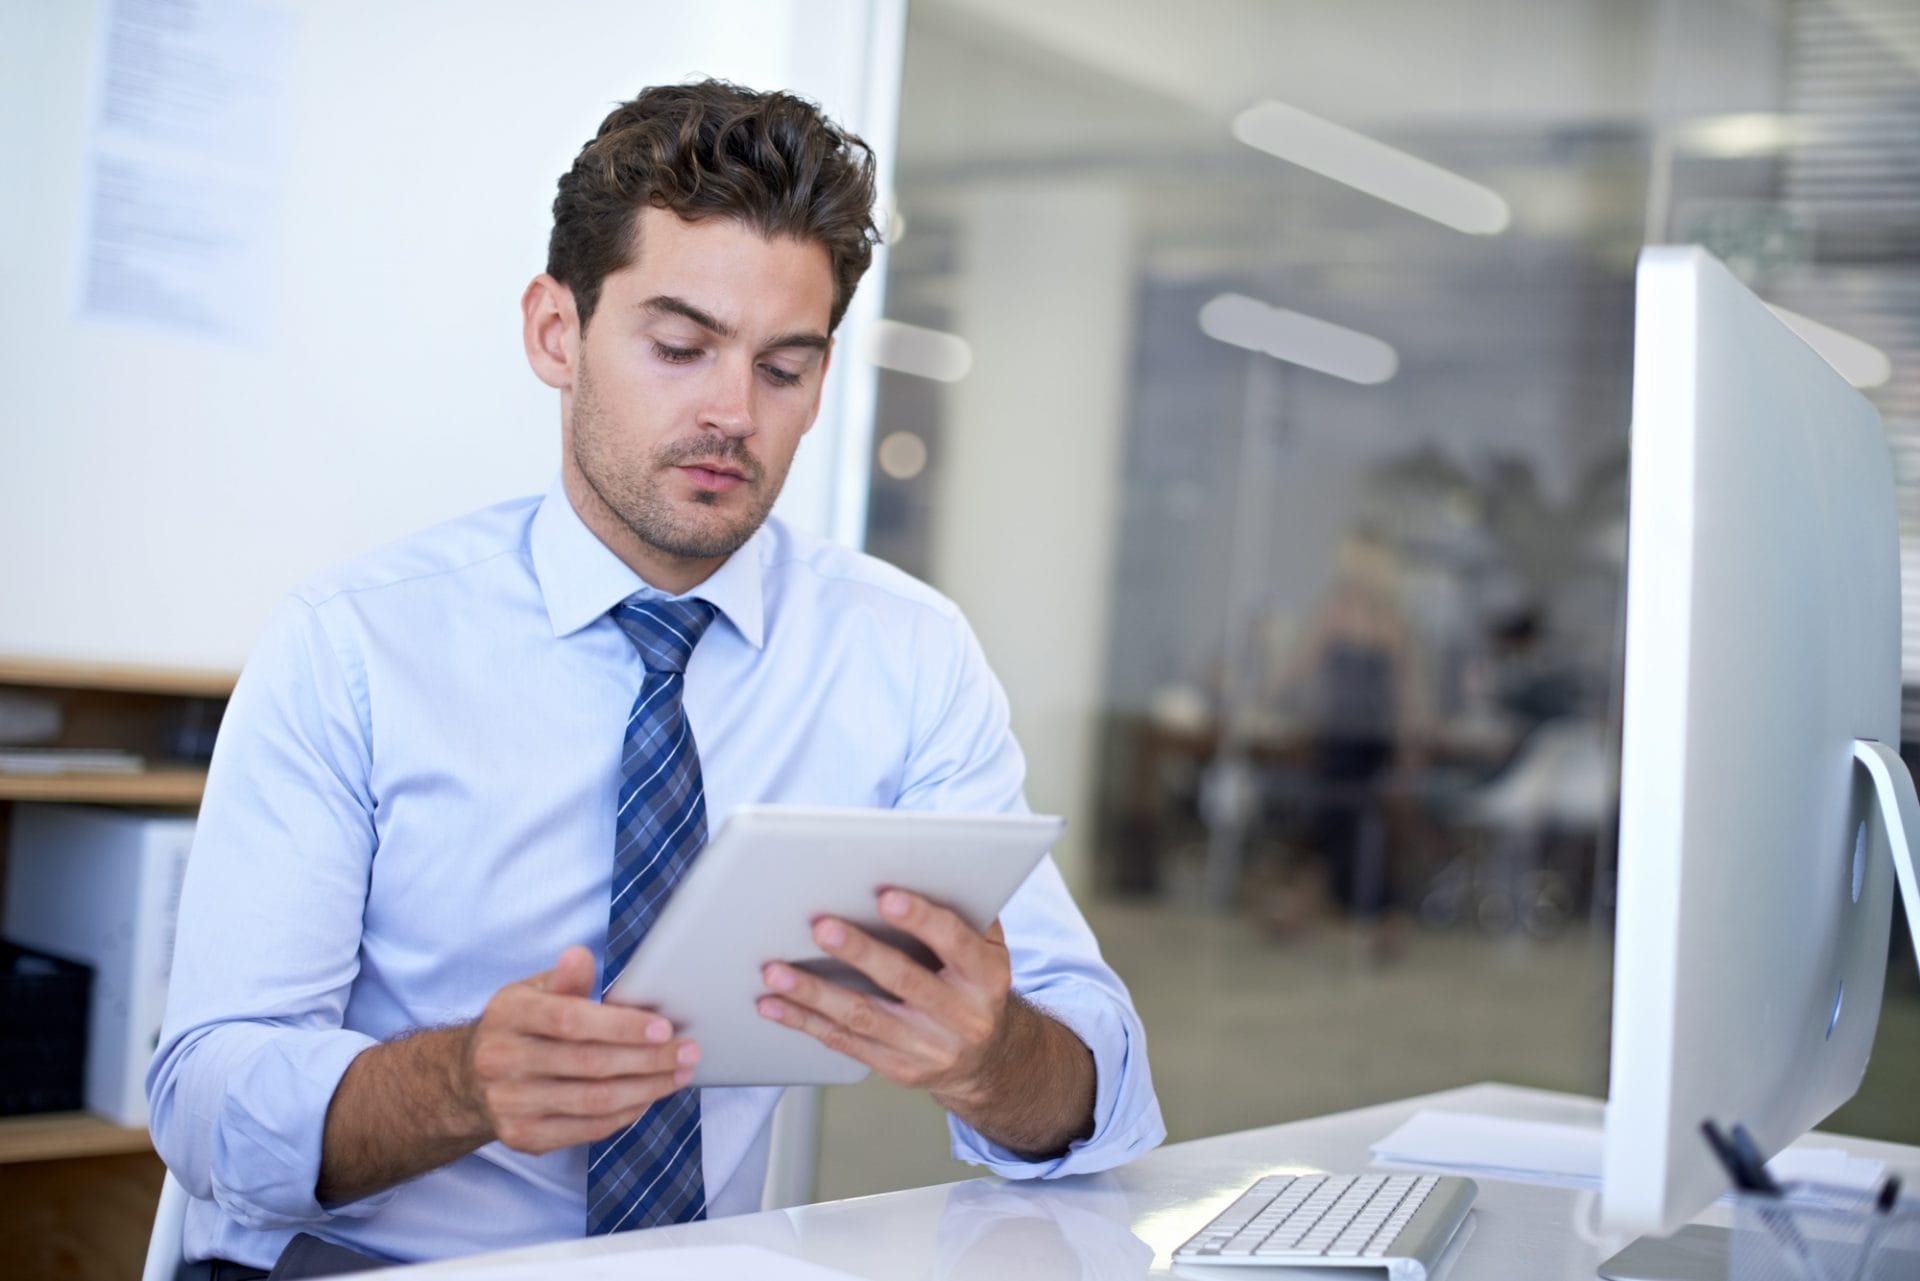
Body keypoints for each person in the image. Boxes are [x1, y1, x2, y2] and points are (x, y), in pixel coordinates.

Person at [147, 80, 1164, 1276]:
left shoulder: (903, 655)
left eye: (784, 368)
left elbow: (1104, 1087)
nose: (732, 412)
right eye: (681, 348)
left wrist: (992, 1059)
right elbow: (203, 1098)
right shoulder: (355, 647)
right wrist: (458, 1083)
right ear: (556, 333)